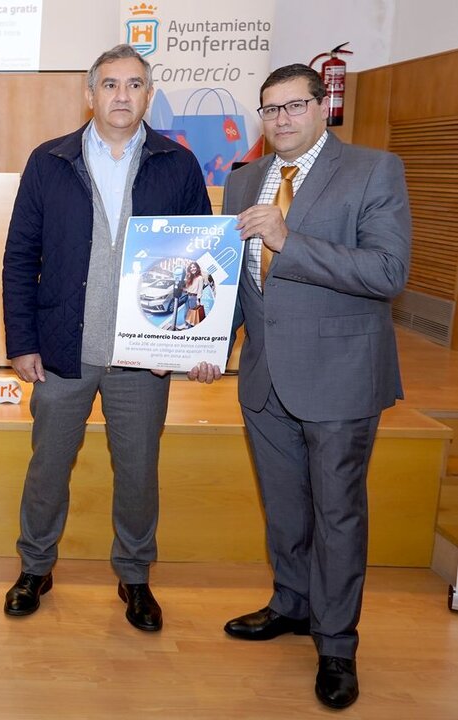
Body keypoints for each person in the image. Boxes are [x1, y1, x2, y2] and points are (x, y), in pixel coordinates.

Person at [192, 64, 411, 709]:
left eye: (294, 106)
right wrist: (206, 343)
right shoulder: (242, 181)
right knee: (284, 508)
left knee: (337, 513)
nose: (280, 119)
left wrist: (290, 240)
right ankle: (291, 604)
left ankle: (337, 643)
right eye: (269, 109)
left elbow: (388, 270)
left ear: (323, 109)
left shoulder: (373, 171)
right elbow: (231, 280)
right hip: (263, 377)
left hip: (340, 375)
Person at [1, 45, 211, 628]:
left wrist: (194, 345)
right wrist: (22, 339)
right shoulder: (50, 161)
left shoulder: (178, 164)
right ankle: (35, 567)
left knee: (139, 472)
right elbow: (20, 256)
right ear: (89, 95)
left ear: (149, 95)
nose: (123, 96)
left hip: (144, 358)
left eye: (135, 85)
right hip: (62, 352)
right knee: (47, 469)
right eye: (111, 85)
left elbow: (203, 262)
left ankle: (136, 578)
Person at [182, 261, 205, 328]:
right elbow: (188, 288)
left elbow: (200, 290)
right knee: (186, 312)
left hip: (194, 298)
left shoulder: (200, 278)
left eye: (194, 267)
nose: (192, 269)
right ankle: (186, 325)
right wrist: (184, 289)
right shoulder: (191, 277)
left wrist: (198, 300)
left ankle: (190, 327)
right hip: (187, 296)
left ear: (197, 268)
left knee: (192, 314)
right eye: (191, 267)